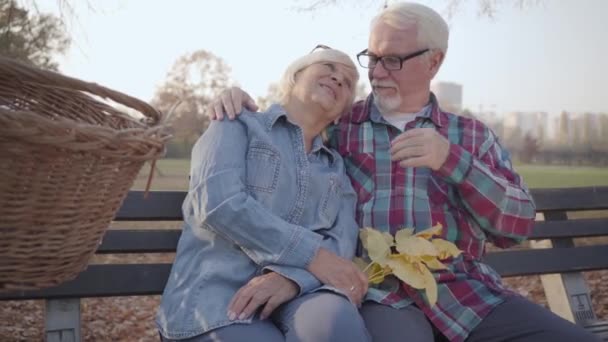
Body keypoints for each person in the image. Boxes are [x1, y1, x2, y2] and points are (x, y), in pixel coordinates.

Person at [208, 2, 602, 342]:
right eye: (373, 58)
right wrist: (237, 103)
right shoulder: (340, 125)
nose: (377, 73)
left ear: (435, 61)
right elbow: (282, 132)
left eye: (393, 60)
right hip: (378, 291)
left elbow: (517, 226)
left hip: (465, 292)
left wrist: (454, 162)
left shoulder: (470, 136)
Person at [156, 47, 372, 342]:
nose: (338, 78)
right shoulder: (236, 123)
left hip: (301, 295)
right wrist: (311, 256)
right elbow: (219, 203)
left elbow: (342, 241)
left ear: (342, 112)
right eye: (328, 66)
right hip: (216, 301)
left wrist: (293, 280)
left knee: (336, 324)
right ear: (294, 77)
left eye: (348, 83)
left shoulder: (336, 169)